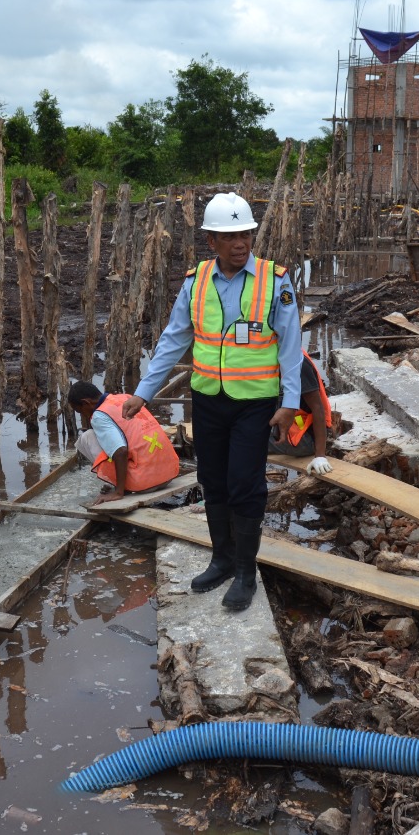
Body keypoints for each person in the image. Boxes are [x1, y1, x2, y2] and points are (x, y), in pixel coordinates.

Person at [122, 192, 303, 612]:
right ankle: (221, 558)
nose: (240, 244)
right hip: (207, 400)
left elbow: (291, 346)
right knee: (214, 481)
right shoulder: (196, 281)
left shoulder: (276, 281)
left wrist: (290, 402)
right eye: (230, 236)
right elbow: (174, 339)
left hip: (255, 402)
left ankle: (245, 570)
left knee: (246, 485)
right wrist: (144, 391)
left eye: (246, 234)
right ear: (212, 241)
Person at [68, 381, 179, 507]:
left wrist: (118, 492)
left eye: (80, 410)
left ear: (86, 402)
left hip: (146, 483)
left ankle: (120, 487)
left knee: (87, 437)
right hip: (170, 474)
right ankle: (123, 483)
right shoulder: (126, 398)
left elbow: (121, 451)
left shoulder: (99, 416)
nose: (82, 415)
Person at [268, 350, 334, 475]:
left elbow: (318, 408)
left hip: (303, 438)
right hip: (291, 430)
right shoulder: (276, 354)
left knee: (245, 441)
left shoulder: (297, 363)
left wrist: (320, 455)